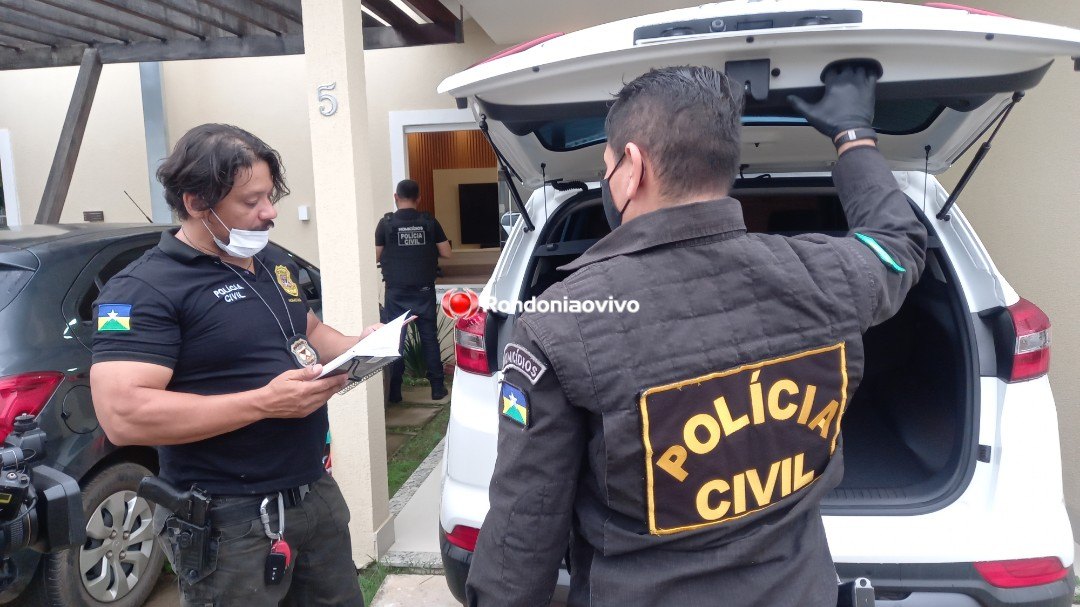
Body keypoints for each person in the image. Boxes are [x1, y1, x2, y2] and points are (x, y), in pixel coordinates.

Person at [465, 64, 927, 607]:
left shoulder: (560, 322)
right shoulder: (829, 276)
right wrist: (854, 137)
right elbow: (897, 245)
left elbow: (523, 537)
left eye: (607, 167)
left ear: (633, 166)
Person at [90, 124, 376, 607]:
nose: (270, 212)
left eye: (270, 196)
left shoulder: (270, 261)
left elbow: (306, 330)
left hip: (312, 493)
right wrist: (264, 403)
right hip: (228, 519)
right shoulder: (142, 290)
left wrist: (361, 344)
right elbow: (124, 415)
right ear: (197, 202)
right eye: (251, 201)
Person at [375, 179, 452, 402]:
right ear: (418, 198)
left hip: (396, 293)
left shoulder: (385, 224)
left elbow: (376, 256)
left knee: (396, 341)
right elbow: (446, 253)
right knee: (429, 339)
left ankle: (395, 392)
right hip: (423, 291)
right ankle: (437, 388)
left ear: (396, 197)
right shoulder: (429, 222)